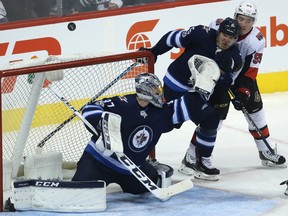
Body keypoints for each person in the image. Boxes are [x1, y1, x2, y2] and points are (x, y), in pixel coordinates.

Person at [180, 1, 286, 181]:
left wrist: (243, 91)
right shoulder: (219, 26)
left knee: (257, 114)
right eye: (241, 18)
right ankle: (190, 157)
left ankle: (265, 152)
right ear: (235, 16)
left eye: (248, 21)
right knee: (215, 121)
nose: (244, 24)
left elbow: (252, 69)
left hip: (243, 78)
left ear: (254, 22)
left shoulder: (256, 40)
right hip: (217, 78)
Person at [72, 71, 222, 195]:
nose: (159, 93)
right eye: (156, 90)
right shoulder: (122, 103)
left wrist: (201, 89)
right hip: (98, 162)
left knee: (148, 186)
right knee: (79, 193)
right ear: (145, 91)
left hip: (131, 169)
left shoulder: (162, 112)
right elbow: (90, 108)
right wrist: (102, 123)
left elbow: (186, 106)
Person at [140, 17, 242, 180]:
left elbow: (224, 85)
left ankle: (202, 162)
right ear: (218, 32)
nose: (226, 40)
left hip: (196, 95)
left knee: (211, 119)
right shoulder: (201, 34)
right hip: (175, 86)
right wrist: (154, 51)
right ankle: (138, 154)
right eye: (224, 34)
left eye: (231, 37)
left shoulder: (233, 55)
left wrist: (223, 73)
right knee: (164, 124)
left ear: (236, 39)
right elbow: (172, 38)